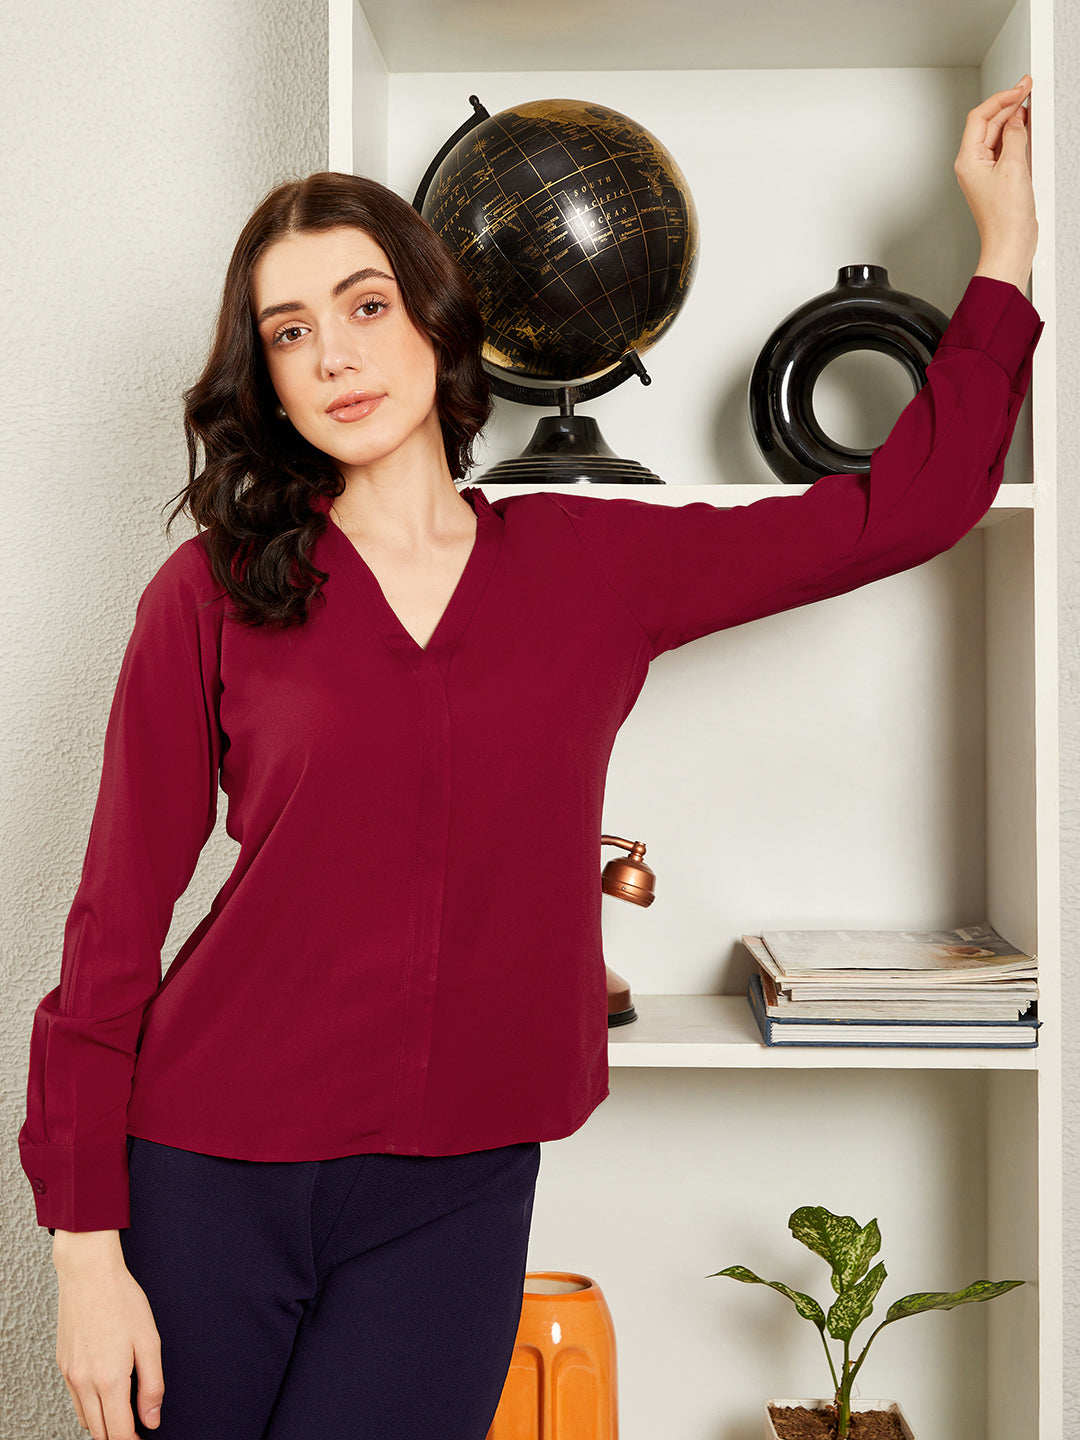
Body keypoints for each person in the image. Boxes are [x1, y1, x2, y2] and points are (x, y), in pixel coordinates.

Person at [19, 76, 1041, 1440]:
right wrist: (85, 1254)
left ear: (438, 324)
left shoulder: (589, 562)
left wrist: (1004, 253)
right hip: (210, 1169)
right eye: (290, 331)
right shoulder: (209, 592)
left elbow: (900, 512)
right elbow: (112, 927)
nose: (333, 356)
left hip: (455, 1187)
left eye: (366, 306)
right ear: (265, 377)